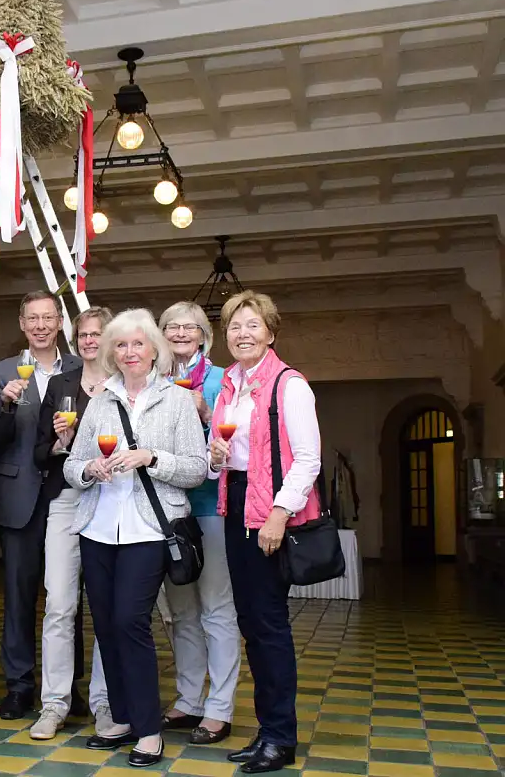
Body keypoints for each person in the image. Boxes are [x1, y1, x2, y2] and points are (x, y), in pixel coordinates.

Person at [63, 308, 207, 768]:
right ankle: (121, 717)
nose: (129, 352)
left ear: (153, 350)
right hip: (99, 527)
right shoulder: (100, 401)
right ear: (112, 353)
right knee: (105, 625)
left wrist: (151, 457)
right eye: (121, 345)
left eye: (138, 344)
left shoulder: (178, 400)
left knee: (129, 620)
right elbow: (71, 464)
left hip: (150, 529)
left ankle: (148, 728)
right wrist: (90, 468)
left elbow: (198, 468)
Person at [208, 291, 321, 774]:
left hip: (270, 515)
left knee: (269, 626)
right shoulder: (229, 385)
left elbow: (309, 459)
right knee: (252, 625)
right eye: (235, 326)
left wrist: (278, 513)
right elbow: (235, 454)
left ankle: (281, 737)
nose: (242, 334)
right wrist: (217, 458)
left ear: (270, 332)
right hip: (236, 509)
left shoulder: (289, 385)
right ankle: (267, 731)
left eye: (252, 325)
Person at [0, 291, 82, 720]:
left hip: (69, 492)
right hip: (19, 494)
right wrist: (5, 404)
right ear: (22, 325)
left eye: (49, 318)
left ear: (60, 322)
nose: (41, 325)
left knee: (66, 595)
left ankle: (68, 685)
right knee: (19, 595)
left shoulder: (81, 368)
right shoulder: (3, 371)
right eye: (33, 319)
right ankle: (20, 684)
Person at [30, 307, 113, 740]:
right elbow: (39, 454)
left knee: (104, 608)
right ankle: (54, 703)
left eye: (97, 334)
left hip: (111, 503)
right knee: (59, 604)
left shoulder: (120, 385)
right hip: (65, 500)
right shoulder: (61, 385)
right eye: (82, 335)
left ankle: (103, 702)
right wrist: (62, 445)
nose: (89, 341)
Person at [158, 301, 240, 745]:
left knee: (216, 608)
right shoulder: (154, 380)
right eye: (172, 326)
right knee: (182, 611)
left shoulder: (222, 379)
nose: (181, 333)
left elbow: (237, 439)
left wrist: (204, 412)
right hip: (167, 510)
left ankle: (220, 707)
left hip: (209, 508)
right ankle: (189, 700)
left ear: (204, 334)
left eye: (190, 327)